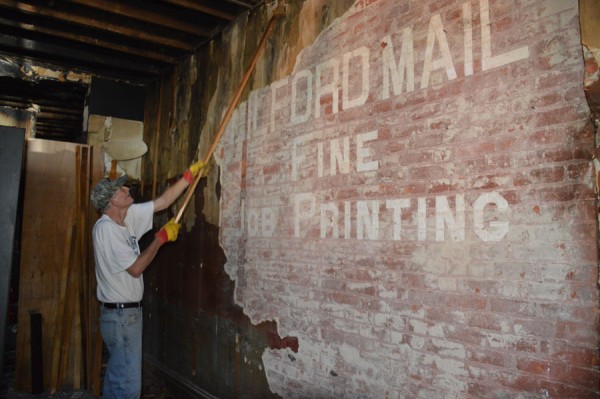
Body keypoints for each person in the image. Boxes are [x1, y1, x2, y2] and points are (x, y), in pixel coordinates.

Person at [89, 160, 205, 399]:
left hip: (125, 315)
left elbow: (162, 202)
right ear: (112, 201)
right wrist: (160, 239)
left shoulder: (126, 217)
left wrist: (188, 177)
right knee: (128, 386)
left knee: (118, 378)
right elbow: (136, 268)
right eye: (121, 190)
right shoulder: (106, 230)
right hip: (120, 317)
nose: (127, 190)